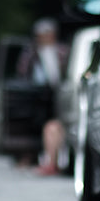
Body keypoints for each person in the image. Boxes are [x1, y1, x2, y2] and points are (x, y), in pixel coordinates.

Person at [17, 17, 69, 175]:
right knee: (38, 125)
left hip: (59, 92)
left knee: (54, 125)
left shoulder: (62, 51)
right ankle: (33, 156)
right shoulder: (31, 53)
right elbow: (23, 72)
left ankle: (52, 160)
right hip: (37, 94)